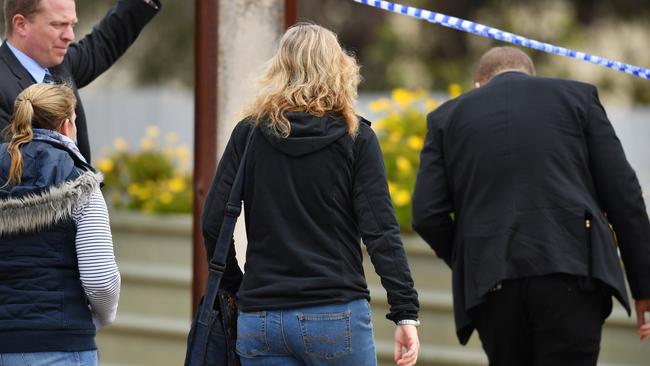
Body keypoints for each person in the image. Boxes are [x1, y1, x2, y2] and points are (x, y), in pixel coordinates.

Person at [412, 46, 650, 366]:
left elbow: (427, 215)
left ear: (478, 86)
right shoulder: (578, 98)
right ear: (531, 76)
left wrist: (476, 258)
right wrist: (644, 287)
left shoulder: (446, 118)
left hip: (494, 284)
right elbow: (624, 196)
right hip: (572, 272)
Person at [202, 23, 420, 366]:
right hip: (335, 314)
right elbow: (380, 231)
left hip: (261, 317)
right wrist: (405, 311)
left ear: (280, 68)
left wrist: (236, 285)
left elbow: (213, 220)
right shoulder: (356, 139)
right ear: (339, 67)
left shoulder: (249, 135)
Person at [0, 83, 120, 365]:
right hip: (61, 344)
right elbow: (100, 279)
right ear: (67, 125)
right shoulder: (81, 183)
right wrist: (101, 317)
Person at [0, 0, 161, 162]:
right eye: (58, 25)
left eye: (72, 25)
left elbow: (104, 42)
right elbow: (11, 173)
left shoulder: (60, 64)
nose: (69, 36)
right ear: (21, 24)